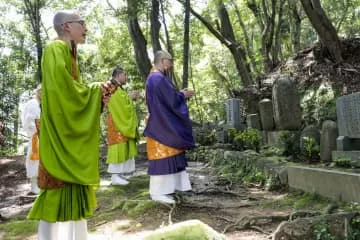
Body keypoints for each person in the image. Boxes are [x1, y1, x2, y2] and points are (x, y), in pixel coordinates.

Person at [27, 10, 116, 240]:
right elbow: (63, 92)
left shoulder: (69, 52)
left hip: (67, 133)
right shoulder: (54, 49)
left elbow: (74, 92)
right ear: (67, 26)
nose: (85, 28)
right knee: (55, 189)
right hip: (58, 135)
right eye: (82, 23)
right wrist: (94, 92)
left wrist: (97, 96)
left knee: (75, 188)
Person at [144, 50, 195, 204]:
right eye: (170, 60)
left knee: (172, 153)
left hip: (162, 122)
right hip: (162, 124)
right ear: (163, 60)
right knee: (163, 155)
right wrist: (183, 96)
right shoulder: (157, 78)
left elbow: (167, 98)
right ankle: (158, 192)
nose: (172, 63)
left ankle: (169, 189)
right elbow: (171, 101)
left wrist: (178, 94)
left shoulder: (155, 77)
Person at [106, 67, 140, 185]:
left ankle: (120, 174)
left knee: (125, 146)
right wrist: (130, 98)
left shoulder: (118, 87)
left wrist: (129, 98)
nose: (126, 77)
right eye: (125, 75)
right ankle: (115, 176)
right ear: (118, 75)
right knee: (118, 147)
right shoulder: (111, 86)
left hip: (121, 120)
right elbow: (116, 103)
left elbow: (123, 102)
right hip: (116, 122)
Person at [21, 85, 41, 195]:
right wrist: (36, 130)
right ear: (37, 92)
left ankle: (40, 185)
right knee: (34, 161)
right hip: (35, 136)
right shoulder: (33, 103)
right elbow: (28, 121)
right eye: (41, 91)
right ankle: (34, 187)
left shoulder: (41, 104)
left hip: (42, 136)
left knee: (41, 161)